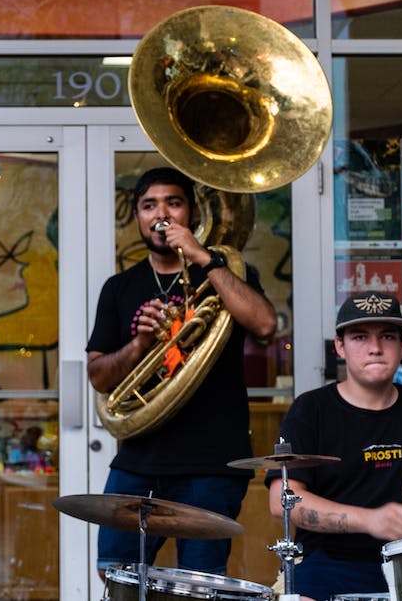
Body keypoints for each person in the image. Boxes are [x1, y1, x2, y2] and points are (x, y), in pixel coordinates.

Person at [86, 167, 277, 578]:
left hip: (212, 462)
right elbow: (99, 378)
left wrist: (204, 257)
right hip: (139, 459)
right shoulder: (119, 288)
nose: (161, 213)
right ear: (137, 216)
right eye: (149, 204)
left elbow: (264, 326)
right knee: (115, 574)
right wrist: (140, 345)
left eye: (173, 202)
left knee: (201, 583)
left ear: (190, 212)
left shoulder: (226, 271)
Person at [265, 290, 402, 601]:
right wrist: (369, 520)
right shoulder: (311, 410)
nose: (375, 348)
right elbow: (281, 499)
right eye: (360, 337)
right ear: (340, 347)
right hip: (326, 564)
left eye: (387, 336)